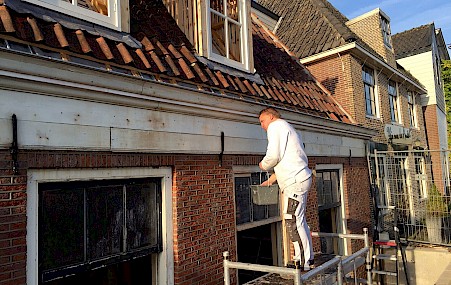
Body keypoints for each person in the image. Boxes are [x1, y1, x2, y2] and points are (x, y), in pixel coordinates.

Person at [258, 107, 314, 271]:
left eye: (262, 121)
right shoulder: (288, 129)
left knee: (292, 220)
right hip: (298, 178)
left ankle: (303, 262)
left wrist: (263, 165)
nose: (262, 126)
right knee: (298, 220)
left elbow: (274, 156)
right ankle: (304, 258)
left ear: (270, 116)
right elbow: (287, 159)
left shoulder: (276, 127)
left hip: (295, 181)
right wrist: (271, 180)